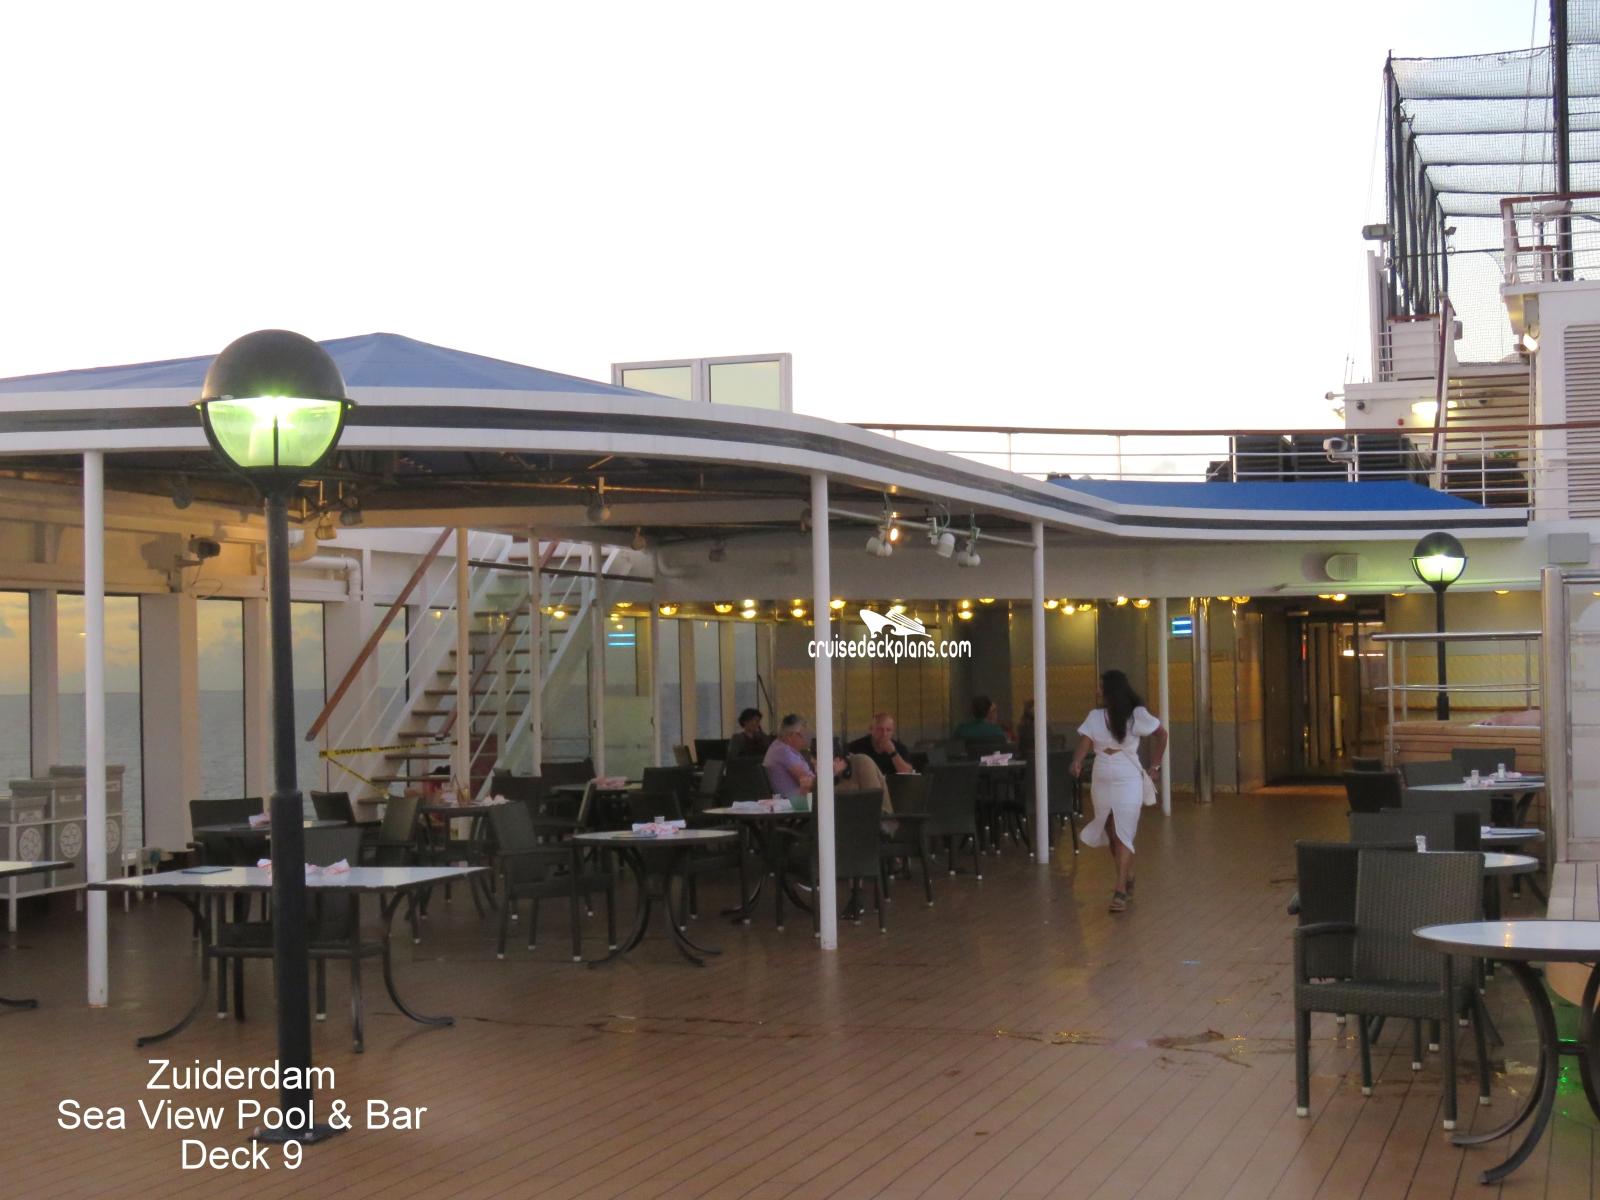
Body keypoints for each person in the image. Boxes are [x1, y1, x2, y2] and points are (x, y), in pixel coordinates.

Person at [1071, 669, 1166, 913]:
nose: (1097, 690)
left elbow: (1162, 734)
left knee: (1124, 832)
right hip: (1101, 777)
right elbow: (1085, 742)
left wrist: (1155, 765)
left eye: (1101, 686)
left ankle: (1120, 889)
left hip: (1128, 778)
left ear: (1111, 690)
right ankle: (1128, 873)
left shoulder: (1137, 715)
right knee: (1111, 833)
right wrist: (1077, 760)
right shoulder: (1095, 716)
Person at [763, 714, 846, 799]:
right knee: (846, 794)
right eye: (803, 736)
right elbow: (809, 784)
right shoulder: (784, 753)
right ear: (791, 735)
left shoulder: (780, 747)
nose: (805, 740)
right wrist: (832, 771)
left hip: (801, 799)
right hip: (798, 802)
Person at [847, 712, 914, 779]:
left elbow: (907, 773)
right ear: (871, 729)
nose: (884, 734)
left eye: (888, 730)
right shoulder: (855, 747)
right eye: (880, 729)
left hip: (893, 784)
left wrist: (893, 753)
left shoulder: (900, 748)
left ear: (893, 732)